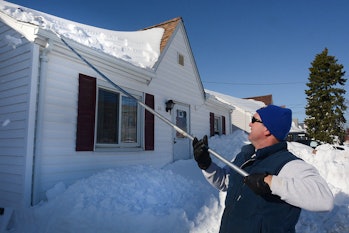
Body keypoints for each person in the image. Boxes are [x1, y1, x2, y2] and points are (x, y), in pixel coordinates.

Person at [192, 105, 334, 233]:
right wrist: (206, 165)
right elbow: (225, 182)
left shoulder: (289, 164)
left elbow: (324, 199)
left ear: (267, 128)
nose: (249, 123)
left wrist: (270, 182)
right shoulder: (244, 156)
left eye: (254, 120)